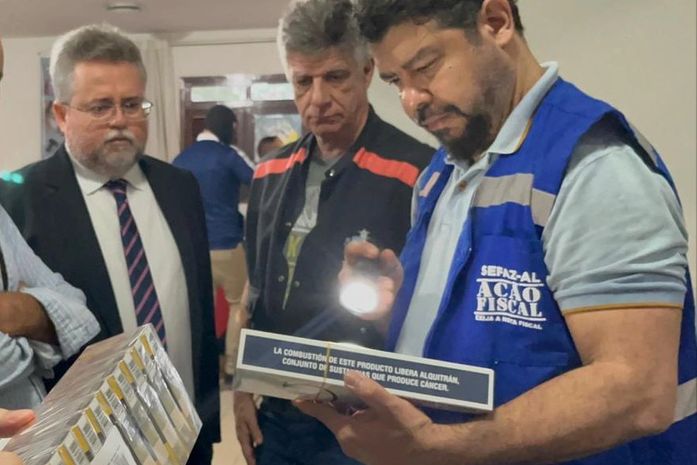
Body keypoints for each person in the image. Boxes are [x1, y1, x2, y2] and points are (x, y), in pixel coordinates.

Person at [296, 1, 697, 465]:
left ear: (496, 22)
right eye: (395, 82)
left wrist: (435, 448)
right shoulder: (441, 174)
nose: (412, 100)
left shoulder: (596, 169)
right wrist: (397, 310)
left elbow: (637, 392)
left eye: (425, 67)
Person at [0, 25, 220, 465]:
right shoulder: (19, 198)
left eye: (132, 104)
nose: (120, 120)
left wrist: (208, 420)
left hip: (184, 429)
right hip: (87, 447)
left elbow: (198, 314)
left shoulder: (180, 187)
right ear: (61, 115)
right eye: (101, 106)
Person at [233, 1, 433, 464]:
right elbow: (252, 293)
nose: (318, 98)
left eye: (335, 77)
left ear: (366, 71)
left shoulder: (418, 173)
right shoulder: (269, 173)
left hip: (365, 412)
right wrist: (241, 389)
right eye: (303, 81)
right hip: (277, 407)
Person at [0, 39, 99, 412]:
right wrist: (44, 333)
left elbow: (78, 308)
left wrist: (20, 311)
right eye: (99, 106)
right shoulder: (25, 190)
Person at [173, 105, 254, 385]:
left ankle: (201, 367)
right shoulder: (228, 156)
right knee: (237, 306)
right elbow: (258, 182)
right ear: (228, 127)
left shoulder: (181, 159)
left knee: (200, 310)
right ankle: (231, 369)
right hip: (228, 243)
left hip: (194, 249)